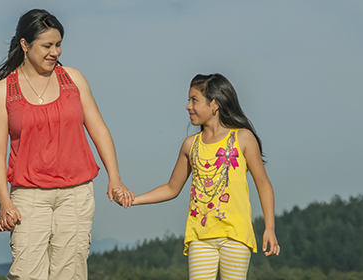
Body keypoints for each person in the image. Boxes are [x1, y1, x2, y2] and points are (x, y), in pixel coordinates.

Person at [0, 8, 133, 280]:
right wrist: (3, 199)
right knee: (27, 273)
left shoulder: (74, 79)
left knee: (70, 273)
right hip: (28, 197)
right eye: (47, 46)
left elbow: (99, 129)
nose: (55, 52)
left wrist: (115, 177)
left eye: (58, 45)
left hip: (76, 194)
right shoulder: (2, 92)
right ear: (24, 45)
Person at [115, 74, 280, 279]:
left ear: (215, 104)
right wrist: (133, 199)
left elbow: (263, 185)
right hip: (199, 238)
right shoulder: (190, 145)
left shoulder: (243, 138)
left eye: (194, 100)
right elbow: (171, 188)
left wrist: (269, 228)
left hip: (236, 236)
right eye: (188, 100)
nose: (188, 107)